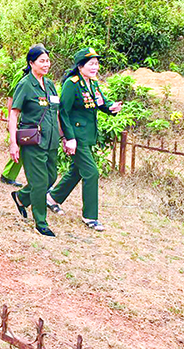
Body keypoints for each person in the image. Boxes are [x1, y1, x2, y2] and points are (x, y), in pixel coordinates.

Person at [48, 48, 122, 232]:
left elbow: (100, 102)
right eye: (91, 64)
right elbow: (63, 112)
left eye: (96, 64)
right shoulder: (72, 84)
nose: (95, 67)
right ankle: (90, 216)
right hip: (77, 136)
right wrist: (69, 138)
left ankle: (52, 198)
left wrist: (111, 107)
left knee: (77, 171)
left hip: (89, 135)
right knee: (91, 172)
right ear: (80, 66)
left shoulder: (93, 83)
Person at [8, 45, 61, 237]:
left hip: (51, 140)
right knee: (39, 182)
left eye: (48, 60)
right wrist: (13, 143)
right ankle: (40, 221)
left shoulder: (50, 84)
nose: (46, 64)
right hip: (33, 140)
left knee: (51, 177)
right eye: (42, 61)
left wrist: (63, 137)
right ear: (31, 63)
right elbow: (14, 114)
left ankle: (21, 197)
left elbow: (56, 113)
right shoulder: (25, 84)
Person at [0, 68, 26, 187]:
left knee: (24, 145)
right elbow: (11, 97)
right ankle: (7, 175)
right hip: (19, 115)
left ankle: (9, 175)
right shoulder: (21, 74)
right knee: (20, 144)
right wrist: (10, 119)